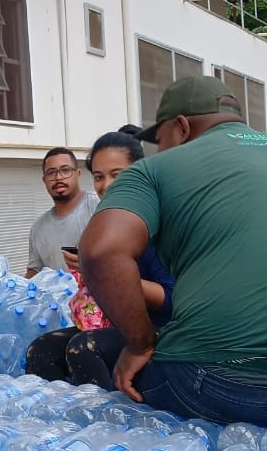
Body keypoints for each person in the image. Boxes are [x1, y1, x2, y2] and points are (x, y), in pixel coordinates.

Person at [80, 74, 267, 425]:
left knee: (104, 362)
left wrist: (139, 345)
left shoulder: (154, 171)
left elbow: (100, 251)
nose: (159, 149)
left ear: (181, 127)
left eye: (160, 138)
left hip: (224, 381)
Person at [25, 132, 173, 389]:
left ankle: (107, 414)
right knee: (41, 349)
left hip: (159, 329)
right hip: (117, 322)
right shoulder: (104, 221)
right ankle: (59, 412)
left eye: (117, 174)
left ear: (140, 172)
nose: (106, 185)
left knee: (83, 348)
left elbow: (170, 299)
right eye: (99, 177)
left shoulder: (157, 222)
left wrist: (108, 273)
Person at [26, 148, 98, 277]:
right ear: (44, 180)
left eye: (65, 170)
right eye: (51, 172)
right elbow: (34, 272)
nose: (58, 177)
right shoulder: (38, 228)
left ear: (78, 174)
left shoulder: (98, 206)